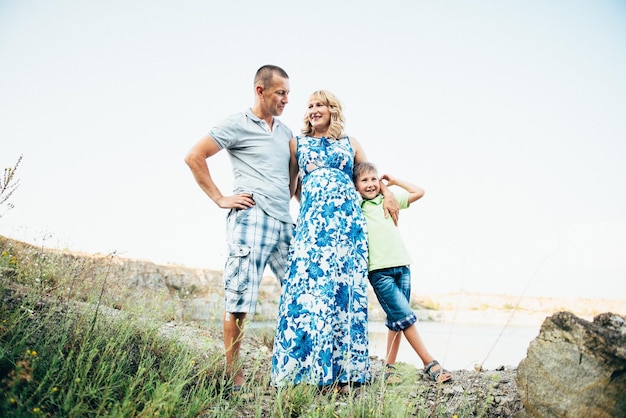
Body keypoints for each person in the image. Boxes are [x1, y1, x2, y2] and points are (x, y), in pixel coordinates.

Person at [271, 90, 399, 391]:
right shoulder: (296, 144)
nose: (314, 109)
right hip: (313, 228)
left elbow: (370, 179)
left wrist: (389, 193)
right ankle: (303, 371)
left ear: (333, 110)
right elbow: (292, 187)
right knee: (308, 291)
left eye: (320, 105)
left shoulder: (350, 143)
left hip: (347, 229)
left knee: (345, 292)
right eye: (310, 105)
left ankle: (346, 374)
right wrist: (310, 207)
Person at [184, 65, 294, 393]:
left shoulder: (287, 132)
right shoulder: (236, 124)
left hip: (285, 222)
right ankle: (234, 373)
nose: (286, 99)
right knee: (240, 298)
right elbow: (194, 156)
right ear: (260, 91)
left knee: (300, 293)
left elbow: (293, 177)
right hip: (251, 218)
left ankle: (293, 367)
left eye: (288, 93)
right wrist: (219, 197)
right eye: (280, 93)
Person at [353, 161, 452, 384]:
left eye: (373, 179)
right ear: (356, 186)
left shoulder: (389, 200)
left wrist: (393, 183)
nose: (370, 184)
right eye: (364, 180)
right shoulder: (357, 209)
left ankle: (389, 368)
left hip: (403, 266)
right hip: (379, 272)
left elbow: (419, 192)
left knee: (396, 320)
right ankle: (430, 363)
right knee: (405, 318)